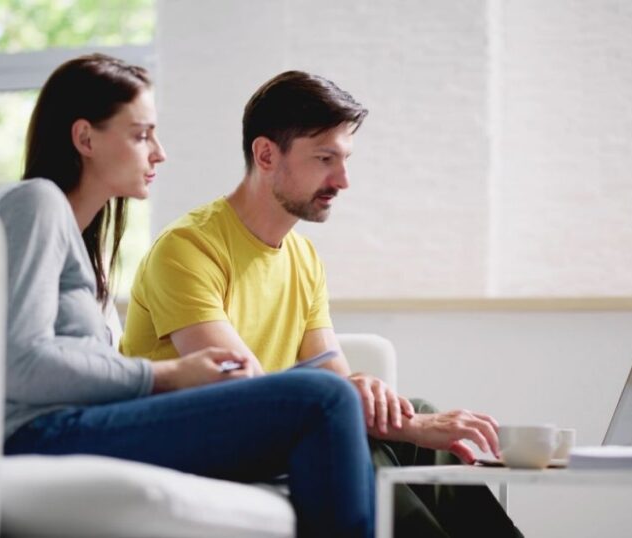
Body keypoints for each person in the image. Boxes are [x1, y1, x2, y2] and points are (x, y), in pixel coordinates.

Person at [121, 70, 523, 538]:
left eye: (345, 158)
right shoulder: (188, 248)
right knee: (355, 440)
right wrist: (393, 418)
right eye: (325, 158)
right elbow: (238, 393)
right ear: (266, 154)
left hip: (276, 427)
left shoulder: (302, 257)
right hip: (199, 438)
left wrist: (403, 414)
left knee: (426, 426)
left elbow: (335, 382)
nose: (343, 180)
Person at [0, 54, 375, 538]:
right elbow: (19, 364)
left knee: (333, 395)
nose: (158, 152)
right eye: (141, 134)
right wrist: (168, 374)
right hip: (36, 436)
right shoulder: (38, 202)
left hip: (73, 425)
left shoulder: (79, 239)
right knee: (323, 397)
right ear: (85, 138)